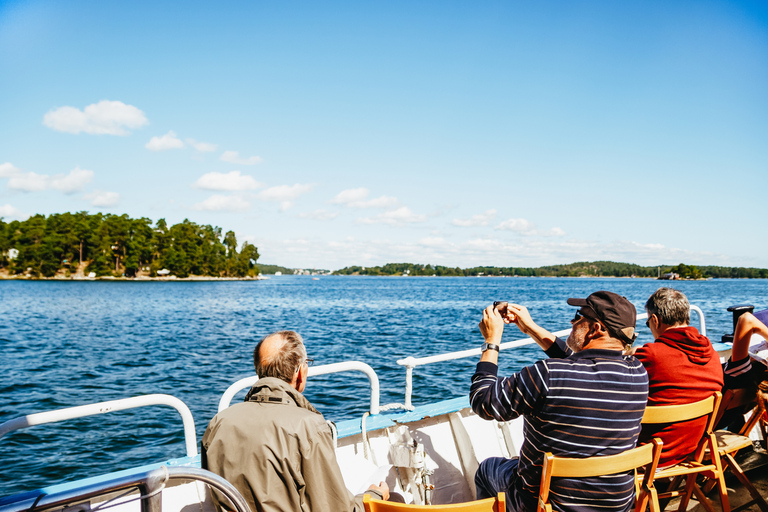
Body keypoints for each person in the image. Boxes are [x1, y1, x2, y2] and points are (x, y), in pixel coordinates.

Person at [471, 291, 648, 512]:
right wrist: (530, 328)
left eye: (578, 316)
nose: (572, 321)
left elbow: (483, 402)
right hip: (616, 505)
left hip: (548, 505)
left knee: (488, 469)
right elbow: (578, 364)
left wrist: (492, 341)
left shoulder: (547, 375)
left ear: (596, 329)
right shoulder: (638, 372)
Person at [202, 330, 389, 512]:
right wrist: (374, 495)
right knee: (394, 499)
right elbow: (335, 508)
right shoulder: (308, 427)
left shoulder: (219, 423)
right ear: (299, 372)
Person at [633, 288, 723, 468]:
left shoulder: (651, 356)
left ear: (655, 320)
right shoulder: (711, 353)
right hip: (689, 450)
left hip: (650, 454)